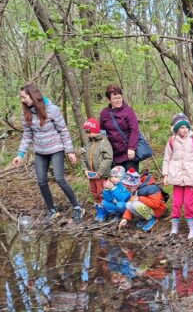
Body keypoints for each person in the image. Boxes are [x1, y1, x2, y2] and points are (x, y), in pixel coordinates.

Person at [12, 84, 85, 223]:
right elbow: (27, 135)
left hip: (56, 148)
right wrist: (20, 154)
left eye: (24, 97)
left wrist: (69, 151)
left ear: (33, 95)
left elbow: (63, 130)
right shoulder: (26, 114)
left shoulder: (52, 110)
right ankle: (52, 210)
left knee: (59, 178)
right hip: (40, 151)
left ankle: (78, 208)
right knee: (41, 181)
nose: (23, 100)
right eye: (21, 97)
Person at [162, 113, 193, 238]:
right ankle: (174, 227)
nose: (184, 129)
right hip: (176, 177)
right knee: (176, 203)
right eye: (181, 127)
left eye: (186, 127)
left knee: (189, 203)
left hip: (191, 177)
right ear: (176, 128)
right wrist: (165, 175)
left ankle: (192, 228)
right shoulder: (172, 141)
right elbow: (167, 158)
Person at [99, 84, 142, 172]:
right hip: (113, 153)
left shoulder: (128, 111)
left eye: (119, 97)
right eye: (115, 98)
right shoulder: (104, 113)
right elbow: (102, 131)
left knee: (131, 181)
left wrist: (131, 148)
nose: (118, 100)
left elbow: (134, 130)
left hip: (128, 153)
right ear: (109, 99)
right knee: (116, 181)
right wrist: (104, 149)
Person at [80, 118, 114, 221]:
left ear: (94, 130)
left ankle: (107, 211)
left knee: (102, 192)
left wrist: (99, 172)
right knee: (94, 192)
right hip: (91, 175)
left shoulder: (104, 142)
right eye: (85, 131)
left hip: (101, 175)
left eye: (88, 131)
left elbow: (108, 159)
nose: (87, 134)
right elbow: (83, 157)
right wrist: (85, 170)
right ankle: (100, 210)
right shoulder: (88, 143)